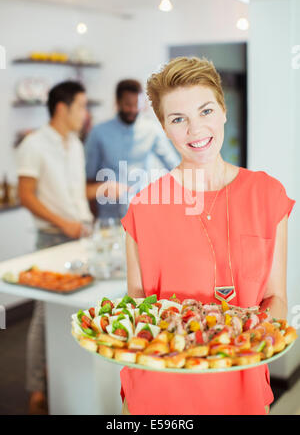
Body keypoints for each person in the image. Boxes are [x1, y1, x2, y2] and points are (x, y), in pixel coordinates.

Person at [120, 56, 296, 415]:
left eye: (205, 111)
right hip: (157, 395)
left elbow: (276, 297)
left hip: (242, 390)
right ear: (165, 128)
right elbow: (137, 309)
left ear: (224, 111)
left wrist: (252, 338)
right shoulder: (143, 206)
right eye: (178, 119)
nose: (195, 130)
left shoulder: (268, 195)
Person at [16, 80, 93, 414]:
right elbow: (26, 195)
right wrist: (64, 224)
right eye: (81, 106)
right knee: (44, 314)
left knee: (77, 310)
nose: (85, 114)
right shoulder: (34, 144)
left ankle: (63, 377)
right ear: (62, 108)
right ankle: (36, 388)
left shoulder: (75, 143)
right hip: (52, 238)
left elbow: (73, 193)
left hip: (81, 235)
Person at [85, 79, 180, 219]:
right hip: (108, 214)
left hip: (142, 212)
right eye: (128, 105)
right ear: (117, 103)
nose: (133, 110)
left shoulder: (152, 130)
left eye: (137, 105)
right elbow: (89, 178)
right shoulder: (98, 133)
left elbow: (174, 166)